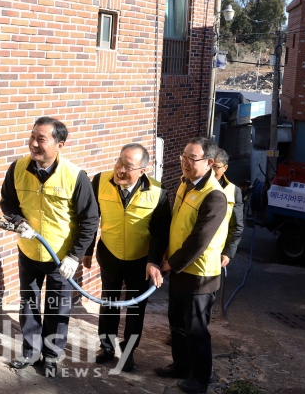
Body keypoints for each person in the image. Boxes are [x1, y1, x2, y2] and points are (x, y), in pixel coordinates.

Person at [0, 116, 99, 377]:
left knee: (57, 308)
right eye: (32, 136)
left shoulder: (75, 177)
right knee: (29, 304)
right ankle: (31, 352)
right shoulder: (17, 168)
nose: (33, 143)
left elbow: (90, 220)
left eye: (41, 139)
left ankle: (52, 355)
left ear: (60, 144)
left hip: (60, 258)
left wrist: (75, 256)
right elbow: (8, 203)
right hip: (29, 251)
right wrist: (18, 221)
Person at [81, 143, 171, 372]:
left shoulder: (158, 192)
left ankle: (128, 352)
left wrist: (153, 262)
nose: (120, 169)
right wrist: (88, 251)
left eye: (128, 166)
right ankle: (107, 346)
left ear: (142, 170)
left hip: (140, 261)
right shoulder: (100, 181)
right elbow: (91, 219)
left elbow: (161, 233)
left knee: (135, 308)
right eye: (119, 162)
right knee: (108, 302)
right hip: (109, 254)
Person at [154, 137, 228, 394]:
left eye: (191, 158)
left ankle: (200, 379)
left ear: (208, 163)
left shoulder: (214, 196)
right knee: (176, 322)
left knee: (196, 330)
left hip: (199, 276)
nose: (184, 162)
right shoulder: (185, 185)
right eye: (183, 157)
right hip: (179, 271)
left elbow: (199, 240)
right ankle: (181, 366)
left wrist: (170, 263)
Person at [212, 149, 244, 268]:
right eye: (209, 165)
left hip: (216, 253)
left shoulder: (233, 191)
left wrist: (228, 252)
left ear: (225, 168)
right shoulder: (194, 185)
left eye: (216, 167)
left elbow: (237, 225)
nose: (211, 171)